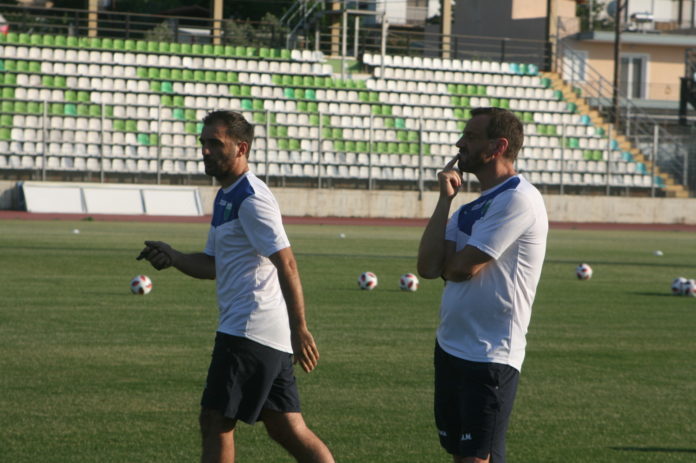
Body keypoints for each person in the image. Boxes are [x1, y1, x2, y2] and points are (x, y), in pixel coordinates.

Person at [137, 110, 335, 463]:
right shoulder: (227, 196)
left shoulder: (252, 198)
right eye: (203, 143)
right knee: (285, 427)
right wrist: (175, 256)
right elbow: (213, 264)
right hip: (262, 332)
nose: (205, 150)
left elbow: (287, 262)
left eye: (215, 143)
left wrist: (300, 328)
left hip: (248, 329)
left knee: (216, 420)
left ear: (241, 148)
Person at [417, 107, 548, 463]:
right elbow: (428, 267)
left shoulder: (518, 198)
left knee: (476, 457)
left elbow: (460, 269)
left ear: (498, 146)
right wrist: (444, 200)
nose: (460, 144)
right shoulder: (469, 208)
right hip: (451, 347)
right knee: (463, 454)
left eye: (471, 137)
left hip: (490, 354)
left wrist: (450, 264)